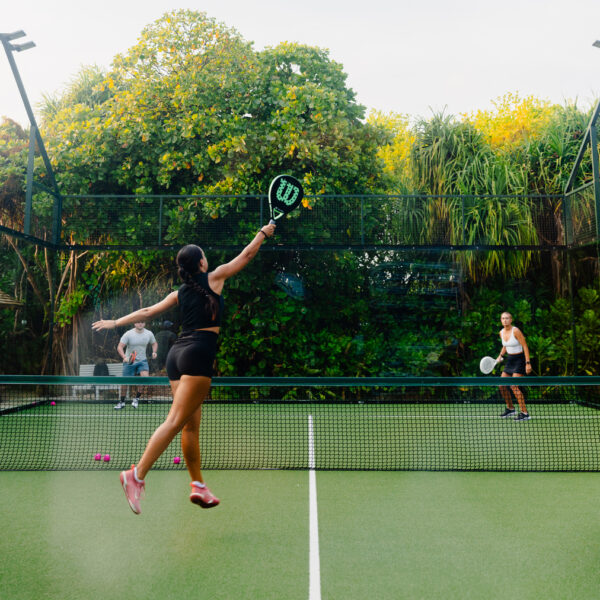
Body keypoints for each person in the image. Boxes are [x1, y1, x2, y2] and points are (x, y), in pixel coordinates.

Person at [92, 223, 276, 514]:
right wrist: (263, 233)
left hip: (176, 356)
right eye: (204, 256)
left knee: (190, 424)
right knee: (176, 420)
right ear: (201, 263)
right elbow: (246, 256)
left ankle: (198, 485)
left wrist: (115, 322)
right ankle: (136, 475)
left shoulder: (179, 293)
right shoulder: (214, 278)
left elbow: (147, 311)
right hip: (198, 354)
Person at [496, 311, 532, 421]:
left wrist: (528, 363)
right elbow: (505, 346)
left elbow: (525, 346)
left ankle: (525, 413)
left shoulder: (515, 331)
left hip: (519, 360)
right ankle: (511, 408)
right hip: (510, 360)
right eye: (503, 318)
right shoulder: (501, 332)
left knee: (513, 386)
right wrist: (500, 356)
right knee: (501, 385)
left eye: (507, 318)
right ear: (501, 320)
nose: (505, 320)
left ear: (511, 320)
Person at [114, 321, 158, 409]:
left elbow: (154, 343)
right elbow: (119, 347)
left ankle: (136, 399)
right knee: (125, 382)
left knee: (145, 379)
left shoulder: (149, 333)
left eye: (142, 322)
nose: (140, 324)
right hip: (130, 361)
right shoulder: (128, 334)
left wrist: (154, 352)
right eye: (138, 322)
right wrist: (124, 357)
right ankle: (122, 402)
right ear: (134, 323)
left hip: (142, 361)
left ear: (144, 323)